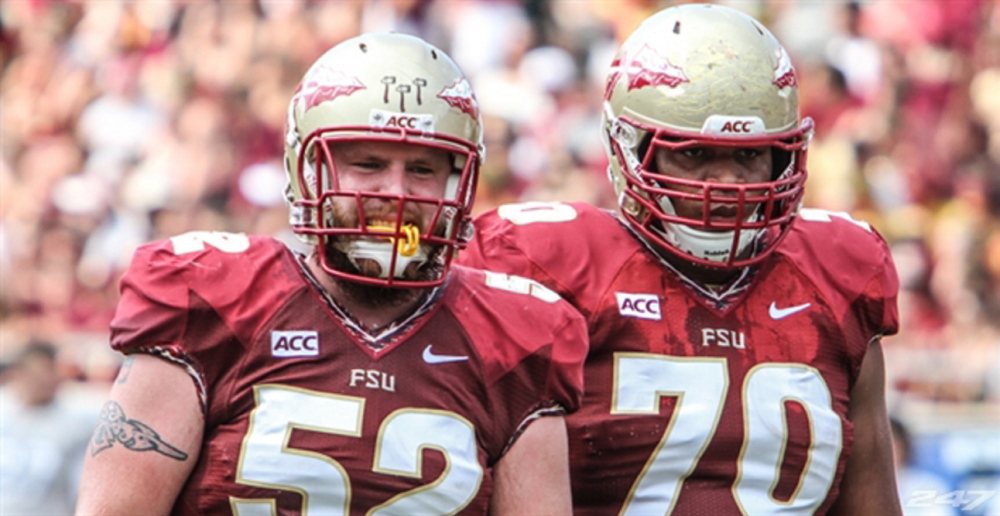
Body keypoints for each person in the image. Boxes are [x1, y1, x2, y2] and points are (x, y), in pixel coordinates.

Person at [75, 32, 587, 516]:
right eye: (367, 164)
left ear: (461, 184)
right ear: (308, 171)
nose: (396, 194)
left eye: (423, 170)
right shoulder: (220, 298)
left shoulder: (512, 336)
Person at [460, 4, 902, 515]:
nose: (729, 184)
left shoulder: (838, 269)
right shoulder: (547, 262)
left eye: (749, 155)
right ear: (628, 145)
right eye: (694, 154)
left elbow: (873, 500)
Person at [1, 341, 97, 515]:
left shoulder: (78, 423)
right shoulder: (4, 416)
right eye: (37, 374)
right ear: (17, 374)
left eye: (50, 372)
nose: (45, 381)